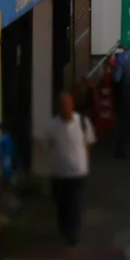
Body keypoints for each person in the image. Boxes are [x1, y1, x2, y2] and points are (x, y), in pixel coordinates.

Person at [39, 91, 95, 246]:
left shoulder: (82, 122)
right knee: (61, 203)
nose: (66, 108)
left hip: (78, 172)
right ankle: (64, 228)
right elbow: (46, 145)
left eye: (68, 104)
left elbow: (88, 143)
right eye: (62, 105)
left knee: (75, 203)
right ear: (58, 107)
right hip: (59, 173)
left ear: (73, 105)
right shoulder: (51, 125)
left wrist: (83, 161)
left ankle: (73, 233)